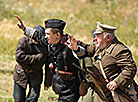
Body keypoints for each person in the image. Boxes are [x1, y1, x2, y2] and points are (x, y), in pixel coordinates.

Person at [66, 22, 138, 102]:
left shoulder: (119, 50)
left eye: (98, 36)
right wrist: (76, 47)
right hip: (101, 92)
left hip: (117, 93)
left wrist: (116, 82)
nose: (94, 39)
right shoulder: (99, 47)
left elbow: (130, 68)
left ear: (108, 38)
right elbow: (87, 50)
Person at [15, 16, 81, 102]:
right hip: (61, 87)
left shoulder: (70, 46)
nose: (45, 37)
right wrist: (24, 28)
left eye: (47, 34)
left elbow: (84, 54)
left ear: (57, 35)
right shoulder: (51, 42)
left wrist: (77, 49)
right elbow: (38, 36)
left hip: (71, 89)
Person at [13, 25, 48, 102]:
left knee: (33, 98)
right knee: (18, 99)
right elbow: (19, 57)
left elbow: (48, 64)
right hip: (21, 74)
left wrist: (48, 81)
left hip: (36, 74)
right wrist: (37, 58)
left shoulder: (45, 46)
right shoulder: (23, 41)